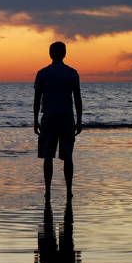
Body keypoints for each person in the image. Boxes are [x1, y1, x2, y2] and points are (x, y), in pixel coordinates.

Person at [33, 41, 82, 207]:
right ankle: (69, 190)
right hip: (67, 117)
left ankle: (48, 190)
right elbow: (77, 99)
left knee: (48, 156)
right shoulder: (72, 73)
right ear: (64, 54)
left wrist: (34, 120)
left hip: (49, 117)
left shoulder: (43, 73)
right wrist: (80, 119)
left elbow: (37, 99)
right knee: (67, 156)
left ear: (50, 54)